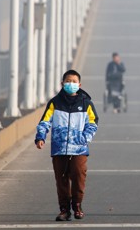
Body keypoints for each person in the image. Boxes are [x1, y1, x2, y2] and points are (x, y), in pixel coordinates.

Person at [35, 69, 99, 222]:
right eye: (68, 81)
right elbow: (45, 121)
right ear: (62, 84)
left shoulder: (86, 103)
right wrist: (40, 137)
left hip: (79, 149)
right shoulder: (54, 103)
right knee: (61, 179)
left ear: (79, 84)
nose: (71, 84)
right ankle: (64, 210)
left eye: (74, 81)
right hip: (59, 148)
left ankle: (77, 206)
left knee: (78, 176)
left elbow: (93, 122)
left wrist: (84, 138)